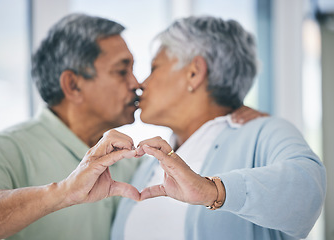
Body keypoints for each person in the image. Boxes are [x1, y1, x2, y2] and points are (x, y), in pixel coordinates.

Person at [0, 13, 263, 240]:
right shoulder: (6, 148)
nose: (137, 84)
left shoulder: (130, 161)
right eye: (121, 70)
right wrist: (63, 192)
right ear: (73, 85)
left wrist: (227, 107)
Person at [111, 16, 326, 240]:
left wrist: (211, 191)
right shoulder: (150, 161)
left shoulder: (264, 130)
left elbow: (307, 192)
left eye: (154, 67)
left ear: (194, 72)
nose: (140, 84)